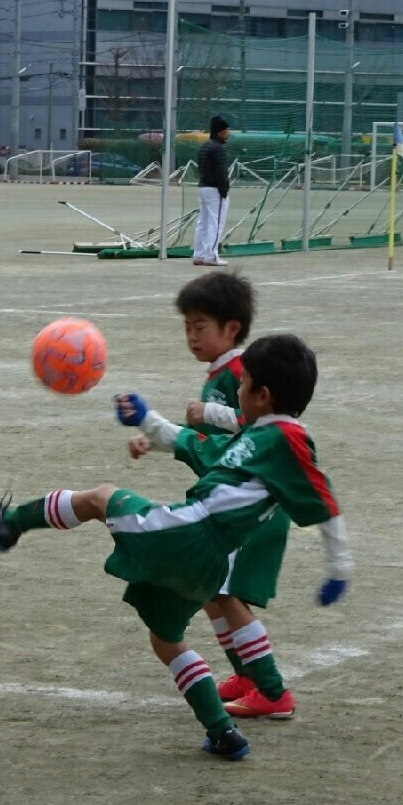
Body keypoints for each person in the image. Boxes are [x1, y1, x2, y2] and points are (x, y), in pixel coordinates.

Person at [0, 334, 352, 759]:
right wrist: (147, 419)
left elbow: (325, 501)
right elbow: (193, 443)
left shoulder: (285, 439)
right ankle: (223, 732)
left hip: (187, 534)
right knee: (165, 640)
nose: (237, 392)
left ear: (262, 395)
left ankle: (9, 526)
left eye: (243, 385)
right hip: (206, 563)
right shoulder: (260, 437)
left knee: (100, 497)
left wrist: (339, 567)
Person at [133, 271, 296, 719]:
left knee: (225, 597)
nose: (191, 336)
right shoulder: (222, 372)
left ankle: (272, 690)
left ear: (232, 329)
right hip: (233, 502)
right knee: (211, 594)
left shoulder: (244, 371)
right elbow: (205, 438)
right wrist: (158, 437)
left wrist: (210, 412)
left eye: (200, 326)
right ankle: (246, 675)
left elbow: (262, 424)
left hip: (248, 508)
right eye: (187, 327)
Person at [192, 116, 231, 266]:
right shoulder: (218, 149)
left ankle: (199, 254)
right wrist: (224, 190)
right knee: (216, 223)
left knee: (203, 222)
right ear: (220, 131)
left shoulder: (205, 146)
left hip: (203, 187)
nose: (228, 132)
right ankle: (211, 256)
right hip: (215, 190)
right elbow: (221, 173)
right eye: (226, 130)